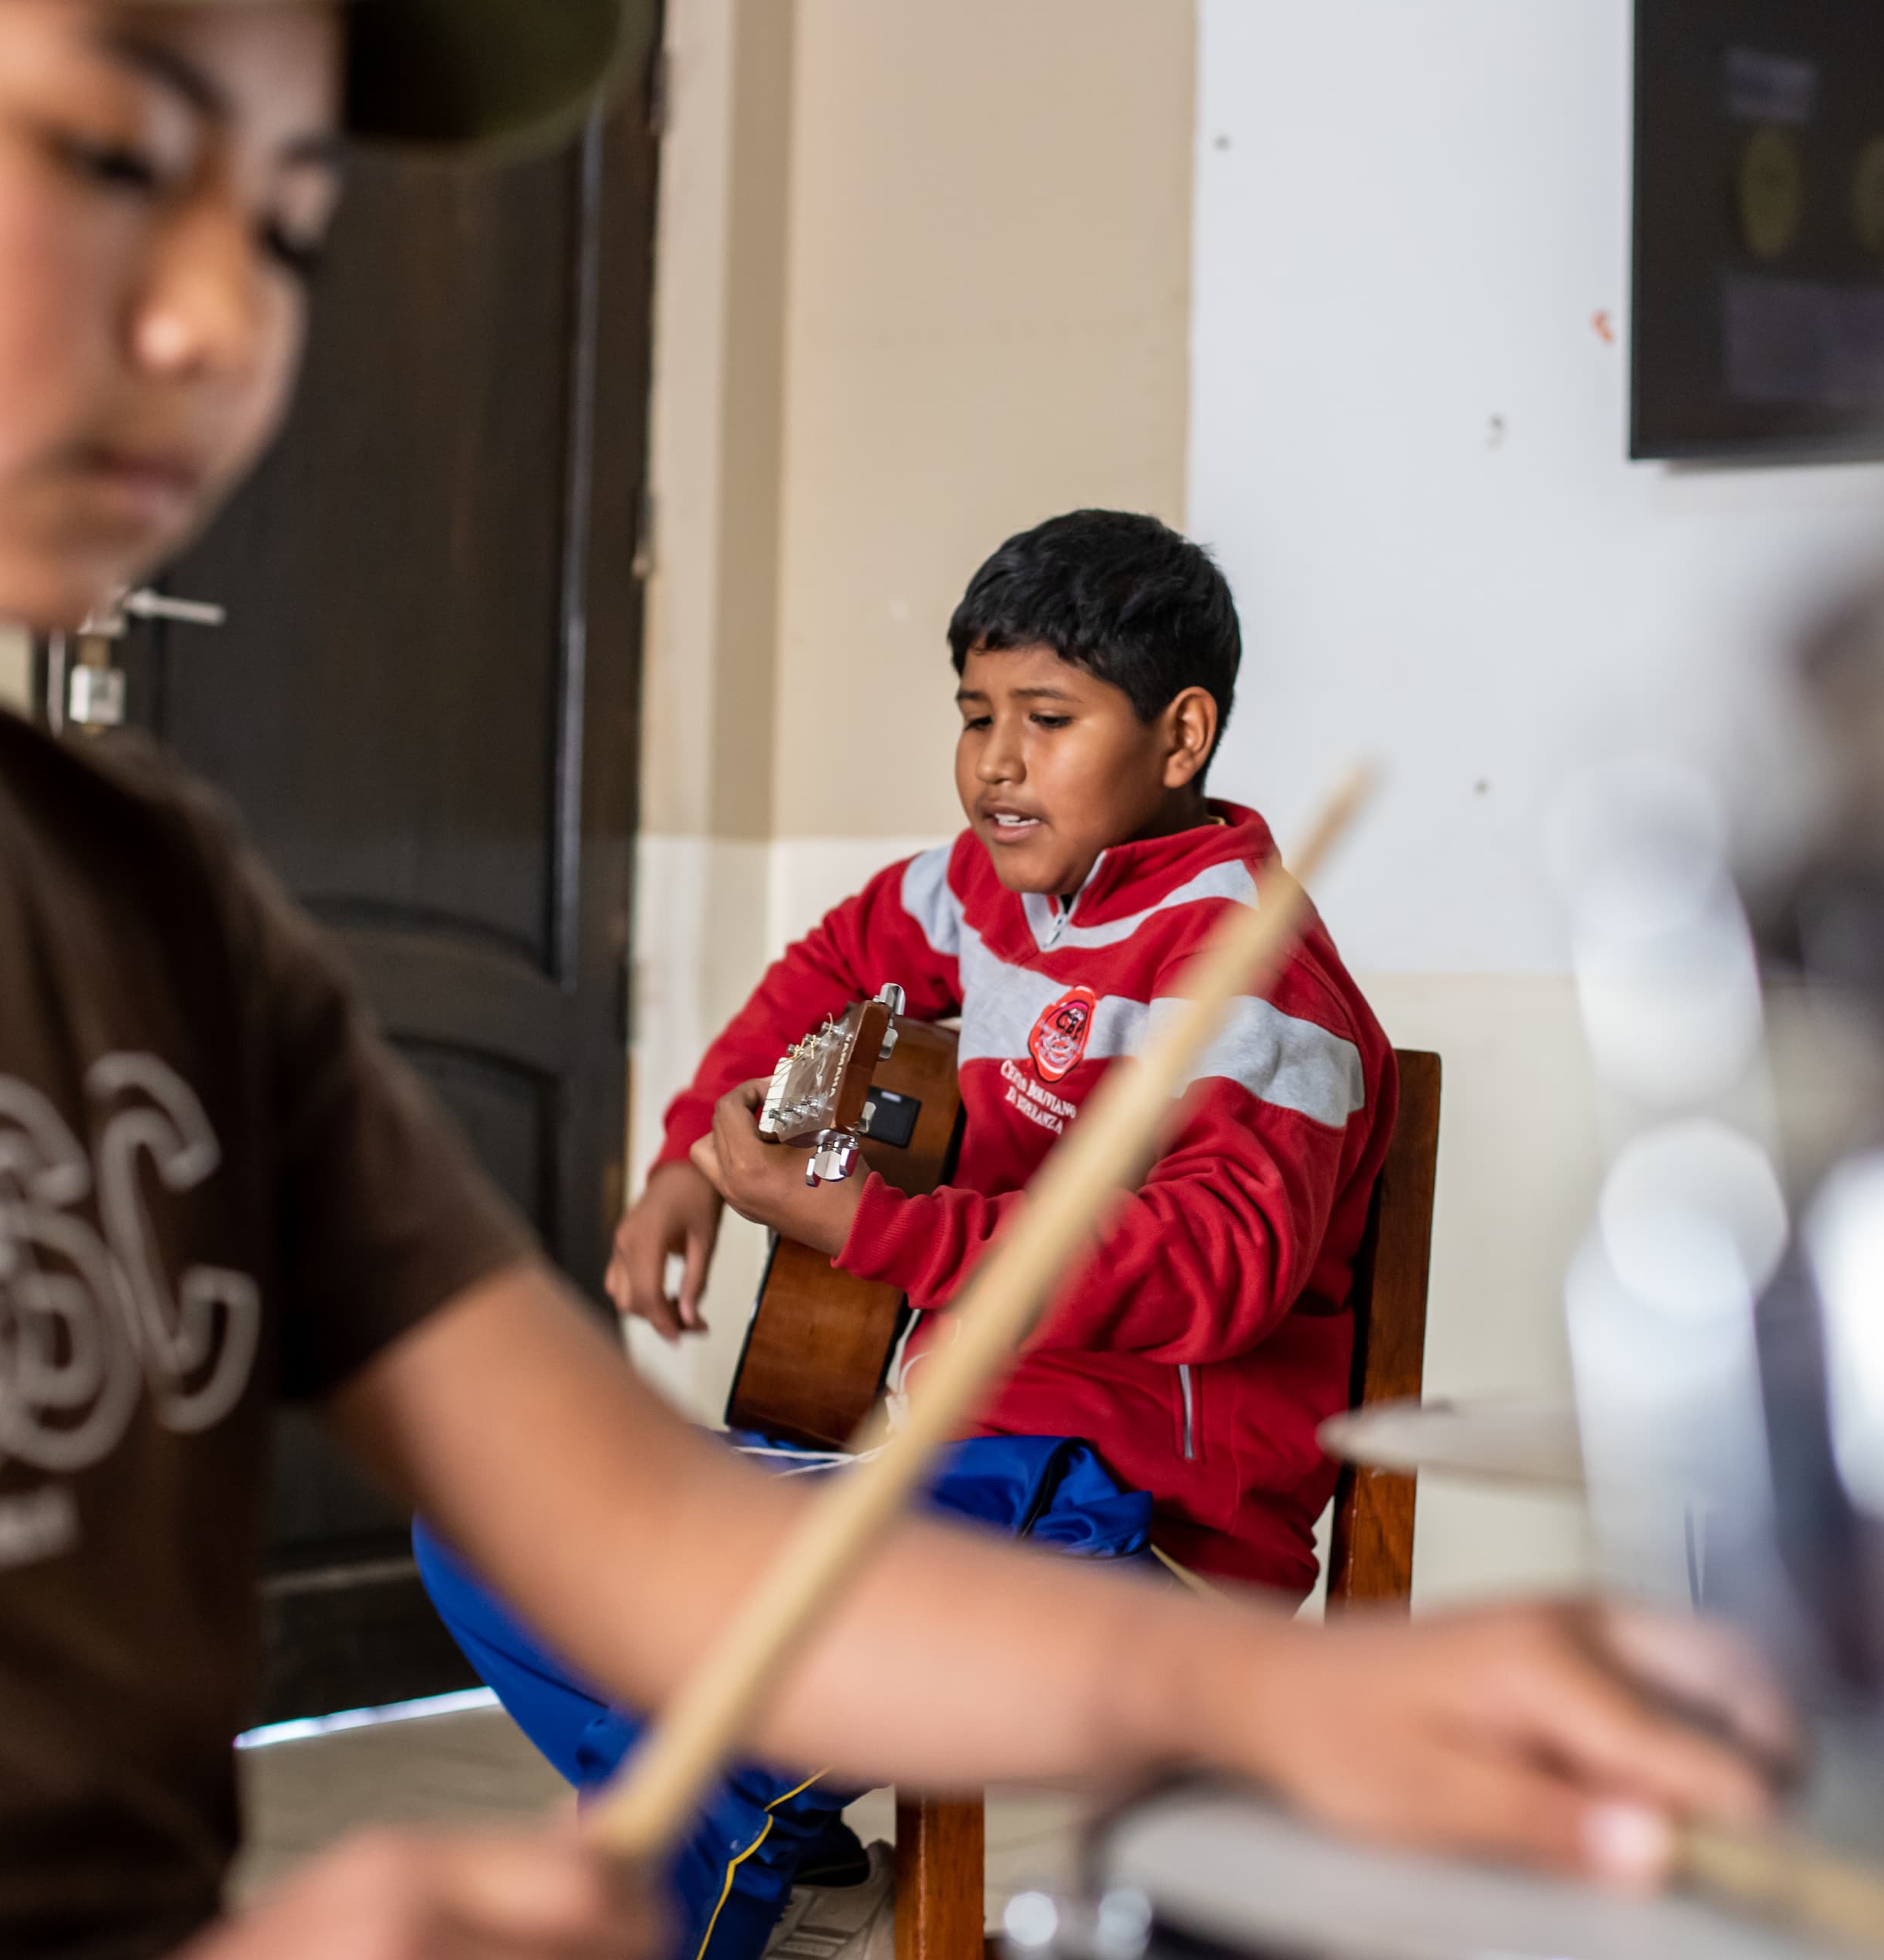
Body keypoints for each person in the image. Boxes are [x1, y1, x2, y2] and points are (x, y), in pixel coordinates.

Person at [0, 2, 1791, 1956]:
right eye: (119, 154)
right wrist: (712, 1163)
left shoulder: (143, 901)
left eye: (301, 217)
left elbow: (618, 1527)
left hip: (1104, 1486)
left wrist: (1290, 1697)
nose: (236, 318)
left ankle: (737, 1863)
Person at [424, 508, 1400, 1960]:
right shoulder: (987, 891)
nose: (997, 761)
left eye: (1048, 719)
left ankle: (728, 1855)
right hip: (948, 1458)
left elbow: (1216, 1272)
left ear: (1181, 734)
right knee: (496, 1514)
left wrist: (879, 1227)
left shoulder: (1251, 976)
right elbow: (835, 958)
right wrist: (699, 1153)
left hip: (1134, 1506)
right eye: (975, 715)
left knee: (725, 1705)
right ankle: (804, 1867)